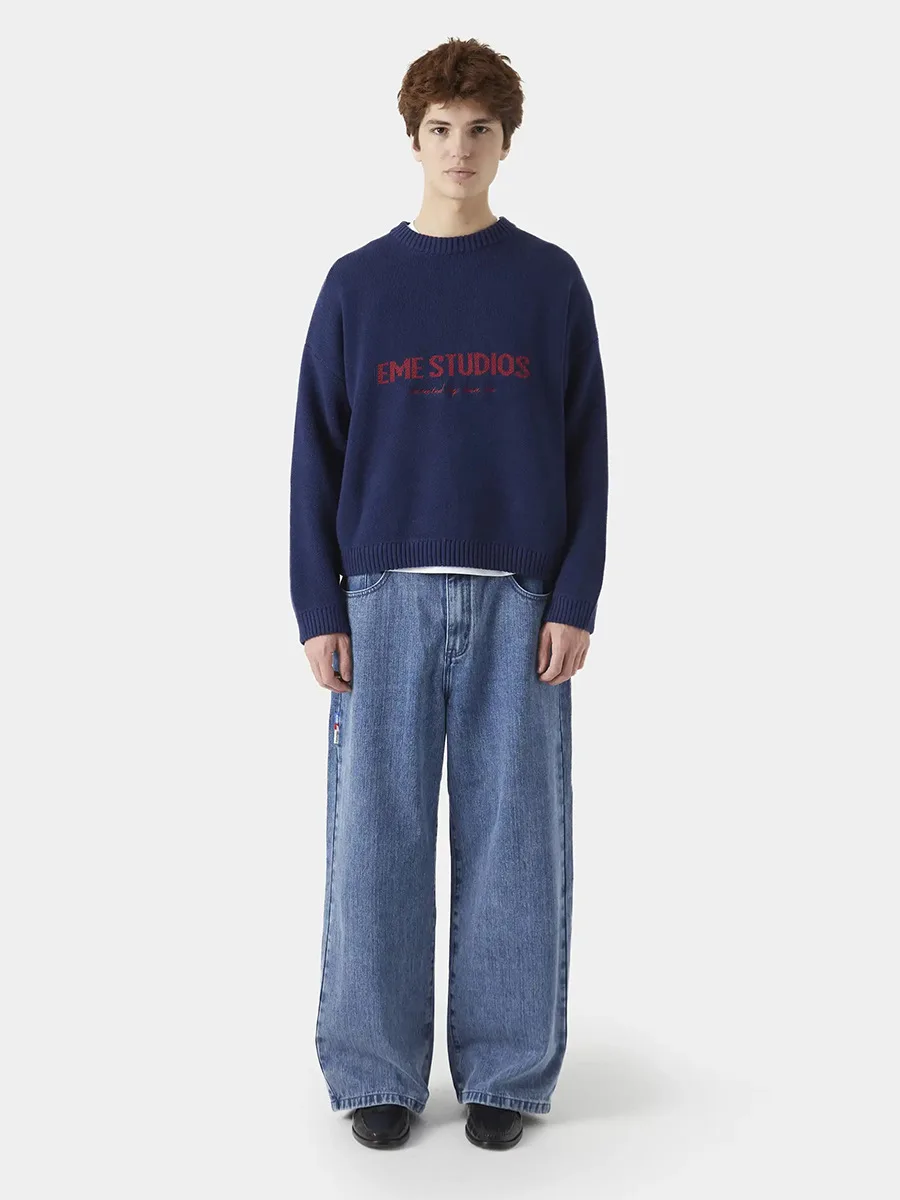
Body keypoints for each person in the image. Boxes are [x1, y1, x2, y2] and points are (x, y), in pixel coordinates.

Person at [289, 36, 609, 1152]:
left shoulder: (548, 282)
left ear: (506, 142)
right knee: (374, 840)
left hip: (520, 598)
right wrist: (318, 608)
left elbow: (587, 449)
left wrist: (576, 596)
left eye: (479, 130)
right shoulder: (358, 285)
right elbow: (314, 454)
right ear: (413, 139)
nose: (459, 149)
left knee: (517, 842)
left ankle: (506, 1073)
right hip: (381, 597)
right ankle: (375, 1071)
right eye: (440, 129)